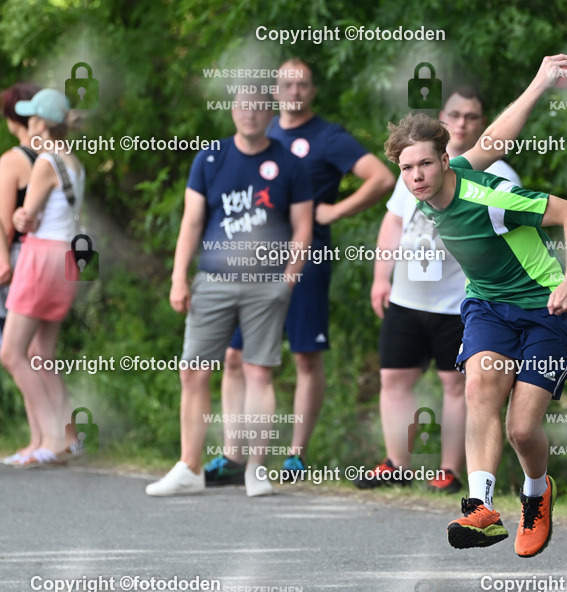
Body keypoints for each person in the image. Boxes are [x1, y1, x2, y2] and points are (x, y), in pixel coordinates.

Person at [384, 54, 567, 558]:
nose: (417, 176)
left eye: (425, 164)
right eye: (407, 168)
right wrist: (537, 83)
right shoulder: (425, 188)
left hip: (544, 309)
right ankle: (479, 506)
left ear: (443, 158)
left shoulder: (489, 196)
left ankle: (537, 494)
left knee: (522, 428)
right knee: (478, 385)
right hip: (487, 307)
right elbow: (495, 137)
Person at [202, 60, 394, 487]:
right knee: (235, 357)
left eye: (302, 84)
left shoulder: (328, 137)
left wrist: (336, 210)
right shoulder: (261, 132)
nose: (294, 91)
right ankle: (234, 455)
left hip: (307, 257)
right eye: (286, 83)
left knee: (305, 354)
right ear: (273, 90)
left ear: (312, 91)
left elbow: (380, 177)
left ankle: (296, 456)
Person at [147, 87, 312, 496]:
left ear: (269, 113)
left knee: (258, 370)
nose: (250, 114)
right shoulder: (209, 158)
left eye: (258, 107)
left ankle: (256, 468)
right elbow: (191, 222)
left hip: (266, 283)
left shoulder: (290, 163)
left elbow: (303, 227)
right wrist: (178, 277)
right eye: (243, 106)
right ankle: (189, 466)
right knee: (193, 370)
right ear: (232, 110)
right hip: (214, 281)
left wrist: (289, 277)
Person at [357, 87, 520, 494]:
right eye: (455, 114)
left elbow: (512, 238)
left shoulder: (498, 174)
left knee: (455, 385)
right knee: (394, 378)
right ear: (443, 119)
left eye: (472, 116)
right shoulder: (415, 161)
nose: (463, 123)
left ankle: (449, 470)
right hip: (407, 298)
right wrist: (382, 276)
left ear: (482, 124)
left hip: (459, 303)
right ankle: (396, 463)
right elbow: (394, 221)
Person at [0, 89, 82, 468]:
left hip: (40, 257)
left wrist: (19, 218)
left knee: (12, 353)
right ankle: (61, 439)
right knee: (41, 354)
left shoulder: (44, 162)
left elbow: (25, 217)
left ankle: (48, 439)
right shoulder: (73, 162)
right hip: (66, 258)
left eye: (32, 118)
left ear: (41, 124)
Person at [0, 82, 41, 343]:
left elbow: (5, 225)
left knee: (12, 349)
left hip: (16, 258)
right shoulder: (56, 158)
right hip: (46, 258)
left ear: (13, 118)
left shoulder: (12, 162)